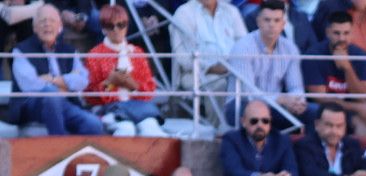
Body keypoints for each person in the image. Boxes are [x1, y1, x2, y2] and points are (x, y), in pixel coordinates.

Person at [8, 5, 105, 135]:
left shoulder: (69, 50)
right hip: (31, 106)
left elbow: (83, 80)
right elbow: (30, 86)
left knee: (94, 124)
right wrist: (64, 86)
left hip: (64, 104)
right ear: (34, 28)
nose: (47, 24)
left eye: (52, 20)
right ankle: (60, 144)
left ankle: (79, 154)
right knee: (50, 93)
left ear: (59, 27)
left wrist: (53, 80)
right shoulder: (21, 50)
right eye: (42, 21)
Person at [226, 0, 309, 128]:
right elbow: (248, 94)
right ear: (258, 22)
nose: (271, 25)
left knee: (315, 113)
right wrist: (281, 99)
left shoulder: (290, 48)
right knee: (256, 113)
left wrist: (298, 101)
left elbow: (296, 87)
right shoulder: (243, 47)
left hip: (276, 106)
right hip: (241, 105)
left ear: (283, 24)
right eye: (267, 20)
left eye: (276, 20)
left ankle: (307, 147)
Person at [84, 4, 162, 135]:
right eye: (110, 26)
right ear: (104, 28)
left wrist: (131, 84)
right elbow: (90, 97)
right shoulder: (94, 55)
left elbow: (149, 91)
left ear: (126, 26)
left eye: (121, 25)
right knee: (126, 129)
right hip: (109, 109)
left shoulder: (137, 53)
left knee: (151, 128)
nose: (116, 30)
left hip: (137, 107)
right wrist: (110, 82)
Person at [303, 8, 366, 135]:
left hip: (351, 106)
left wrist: (347, 67)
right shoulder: (313, 55)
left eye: (346, 33)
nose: (342, 38)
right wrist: (357, 108)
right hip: (323, 108)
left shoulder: (360, 55)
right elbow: (319, 98)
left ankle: (359, 154)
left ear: (352, 33)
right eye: (336, 33)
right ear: (327, 32)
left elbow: (362, 97)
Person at [171, 0, 248, 115]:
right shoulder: (183, 13)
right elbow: (182, 58)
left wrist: (233, 66)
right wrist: (212, 68)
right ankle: (220, 129)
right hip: (195, 74)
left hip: (233, 69)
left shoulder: (231, 11)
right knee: (220, 84)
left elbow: (245, 45)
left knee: (251, 80)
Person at [294, 100, 366, 176]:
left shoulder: (351, 144)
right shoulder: (304, 145)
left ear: (345, 126)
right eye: (329, 125)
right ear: (317, 125)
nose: (334, 131)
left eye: (339, 126)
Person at [220, 98, 299, 176]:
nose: (260, 125)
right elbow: (233, 172)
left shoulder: (282, 140)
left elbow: (293, 171)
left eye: (265, 121)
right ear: (243, 122)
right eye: (254, 121)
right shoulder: (231, 139)